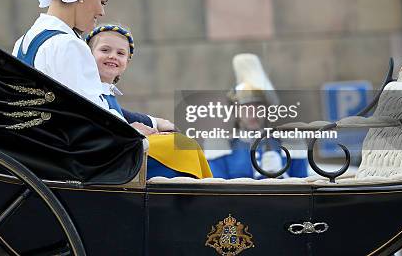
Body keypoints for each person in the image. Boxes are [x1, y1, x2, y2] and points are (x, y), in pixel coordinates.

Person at [85, 24, 212, 179]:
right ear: (88, 54)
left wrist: (156, 122)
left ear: (127, 62)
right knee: (180, 146)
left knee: (182, 143)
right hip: (111, 160)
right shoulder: (87, 89)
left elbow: (123, 115)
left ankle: (198, 189)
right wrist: (131, 131)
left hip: (121, 152)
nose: (113, 56)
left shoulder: (106, 91)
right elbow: (102, 122)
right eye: (105, 50)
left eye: (120, 53)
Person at [205, 54, 308, 179]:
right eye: (246, 107)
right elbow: (217, 192)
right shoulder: (220, 145)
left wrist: (282, 177)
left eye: (258, 106)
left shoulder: (290, 142)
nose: (253, 113)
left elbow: (303, 189)